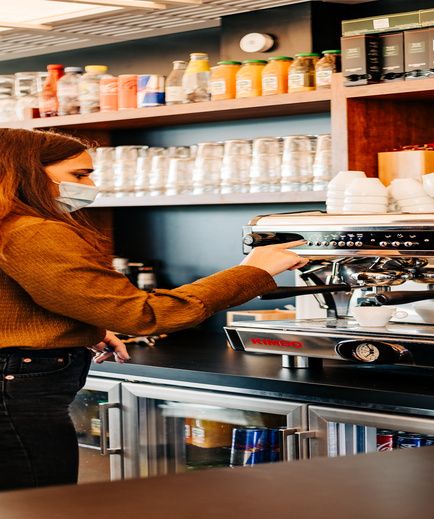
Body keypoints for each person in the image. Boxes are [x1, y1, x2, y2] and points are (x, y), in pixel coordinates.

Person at [0, 129, 307, 491]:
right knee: (38, 508)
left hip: (16, 378)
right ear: (28, 172)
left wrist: (87, 327)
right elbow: (144, 316)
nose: (91, 184)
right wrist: (253, 272)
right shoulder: (32, 231)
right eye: (80, 175)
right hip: (18, 391)